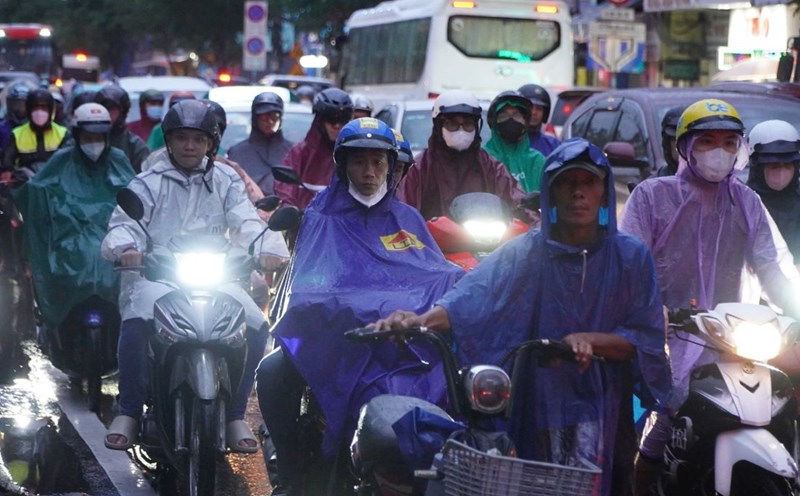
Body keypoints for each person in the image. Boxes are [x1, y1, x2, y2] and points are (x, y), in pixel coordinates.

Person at [375, 137, 671, 496]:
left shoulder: (630, 257)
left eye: (588, 182)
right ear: (550, 192)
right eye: (567, 182)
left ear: (604, 191)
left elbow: (645, 337)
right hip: (537, 402)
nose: (578, 193)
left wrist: (591, 341)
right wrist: (417, 321)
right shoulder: (525, 253)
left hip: (607, 408)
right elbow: (468, 300)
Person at [257, 118, 463, 495]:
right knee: (271, 374)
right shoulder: (320, 218)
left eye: (378, 163)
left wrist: (465, 287)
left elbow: (437, 274)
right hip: (337, 342)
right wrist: (363, 310)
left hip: (406, 345)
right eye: (359, 162)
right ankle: (291, 474)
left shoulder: (408, 219)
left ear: (391, 166)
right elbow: (307, 289)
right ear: (343, 166)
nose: (369, 173)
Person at [619, 99, 800, 495]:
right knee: (663, 423)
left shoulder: (746, 201)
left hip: (732, 336)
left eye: (729, 142)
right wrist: (650, 310)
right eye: (707, 141)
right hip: (667, 335)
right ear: (685, 146)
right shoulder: (651, 196)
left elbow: (773, 266)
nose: (719, 151)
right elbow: (629, 263)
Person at [101, 100, 290, 453]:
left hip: (217, 275)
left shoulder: (226, 180)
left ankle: (234, 414)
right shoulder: (148, 181)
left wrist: (269, 248)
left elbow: (246, 220)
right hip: (159, 278)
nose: (190, 146)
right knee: (136, 321)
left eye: (198, 139)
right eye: (182, 138)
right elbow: (126, 223)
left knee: (255, 325)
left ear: (211, 143)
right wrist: (126, 247)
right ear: (169, 141)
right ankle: (129, 410)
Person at [11, 102, 134, 340]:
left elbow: (138, 194)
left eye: (99, 137)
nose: (94, 143)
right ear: (77, 136)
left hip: (111, 234)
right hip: (70, 237)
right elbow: (37, 190)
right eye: (88, 137)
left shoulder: (118, 159)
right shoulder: (62, 160)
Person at [396, 90, 528, 221]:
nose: (461, 131)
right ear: (438, 126)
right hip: (431, 235)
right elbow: (403, 211)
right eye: (452, 124)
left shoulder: (490, 166)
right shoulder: (420, 167)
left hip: (485, 233)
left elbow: (516, 199)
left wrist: (528, 212)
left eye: (468, 124)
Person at [274, 88, 353, 210]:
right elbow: (285, 189)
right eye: (331, 119)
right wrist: (290, 209)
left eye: (342, 120)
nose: (337, 125)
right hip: (306, 219)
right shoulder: (301, 152)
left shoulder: (355, 153)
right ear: (319, 121)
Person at [745, 120, 800, 261]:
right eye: (774, 166)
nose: (781, 173)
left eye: (787, 165)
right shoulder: (740, 203)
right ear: (757, 166)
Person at [227, 92, 294, 196]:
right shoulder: (237, 152)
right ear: (255, 118)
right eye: (264, 117)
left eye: (275, 116)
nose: (270, 121)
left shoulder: (293, 151)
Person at [483, 90, 546, 193]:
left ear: (525, 122)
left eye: (517, 116)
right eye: (504, 116)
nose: (511, 120)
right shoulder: (483, 158)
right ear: (494, 122)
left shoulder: (537, 161)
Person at [2, 88, 69, 172]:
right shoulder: (17, 134)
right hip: (27, 179)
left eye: (44, 108)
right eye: (35, 108)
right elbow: (7, 164)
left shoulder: (62, 133)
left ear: (51, 111)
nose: (39, 113)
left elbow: (68, 164)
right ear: (29, 111)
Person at [94, 85, 150, 173]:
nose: (107, 113)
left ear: (123, 112)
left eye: (112, 109)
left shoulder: (135, 146)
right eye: (103, 109)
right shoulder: (83, 141)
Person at [517, 83, 560, 156]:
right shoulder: (505, 143)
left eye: (539, 109)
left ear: (544, 113)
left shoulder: (553, 145)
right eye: (530, 108)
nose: (534, 112)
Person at [0, 83, 30, 157]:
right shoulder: (2, 128)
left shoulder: (36, 128)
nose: (20, 110)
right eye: (17, 105)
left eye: (23, 105)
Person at [655, 105, 686, 177]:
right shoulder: (654, 183)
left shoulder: (712, 179)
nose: (688, 147)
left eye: (706, 142)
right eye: (679, 139)